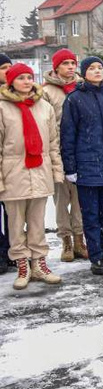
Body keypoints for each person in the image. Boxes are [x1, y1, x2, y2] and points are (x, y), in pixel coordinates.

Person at [61, 57, 103, 276]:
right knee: (91, 215)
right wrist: (70, 167)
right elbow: (68, 135)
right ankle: (96, 257)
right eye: (92, 68)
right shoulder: (75, 99)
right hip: (88, 167)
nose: (97, 71)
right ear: (84, 73)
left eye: (100, 68)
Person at [0, 63, 64, 289]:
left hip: (39, 171)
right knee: (16, 224)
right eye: (21, 78)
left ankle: (39, 265)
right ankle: (22, 266)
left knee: (37, 223)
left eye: (29, 77)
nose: (27, 82)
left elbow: (53, 143)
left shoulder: (44, 106)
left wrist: (57, 171)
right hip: (13, 174)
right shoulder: (2, 108)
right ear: (11, 82)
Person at [42, 48, 88, 262]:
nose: (70, 67)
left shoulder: (82, 88)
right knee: (62, 199)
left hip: (81, 150)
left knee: (80, 199)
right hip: (58, 150)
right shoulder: (47, 92)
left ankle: (80, 239)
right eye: (66, 63)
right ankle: (66, 241)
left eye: (73, 63)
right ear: (56, 67)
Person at [0, 53, 13, 274]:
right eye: (3, 68)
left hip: (12, 165)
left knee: (13, 213)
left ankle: (10, 251)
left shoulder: (16, 96)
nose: (8, 71)